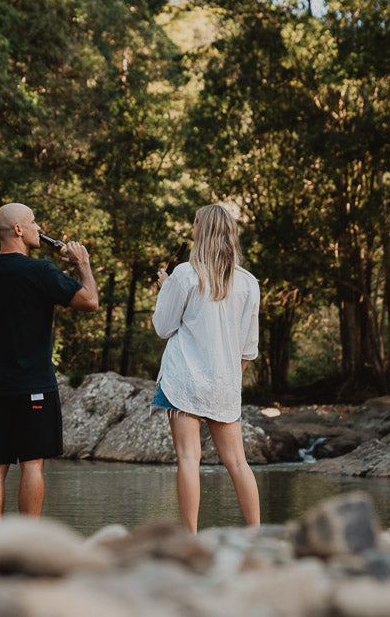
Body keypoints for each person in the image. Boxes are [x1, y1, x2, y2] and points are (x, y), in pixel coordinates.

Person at [0, 203, 98, 519]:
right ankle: (28, 536)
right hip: (34, 386)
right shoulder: (41, 271)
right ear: (18, 230)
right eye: (33, 222)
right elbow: (90, 301)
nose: (39, 228)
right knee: (32, 463)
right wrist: (83, 265)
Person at [151, 204, 261, 533]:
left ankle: (190, 538)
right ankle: (257, 534)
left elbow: (163, 327)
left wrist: (164, 289)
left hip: (183, 380)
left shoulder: (185, 274)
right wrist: (228, 379)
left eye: (195, 224)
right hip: (224, 383)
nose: (192, 229)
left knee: (189, 458)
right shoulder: (249, 282)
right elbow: (248, 348)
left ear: (203, 230)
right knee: (238, 462)